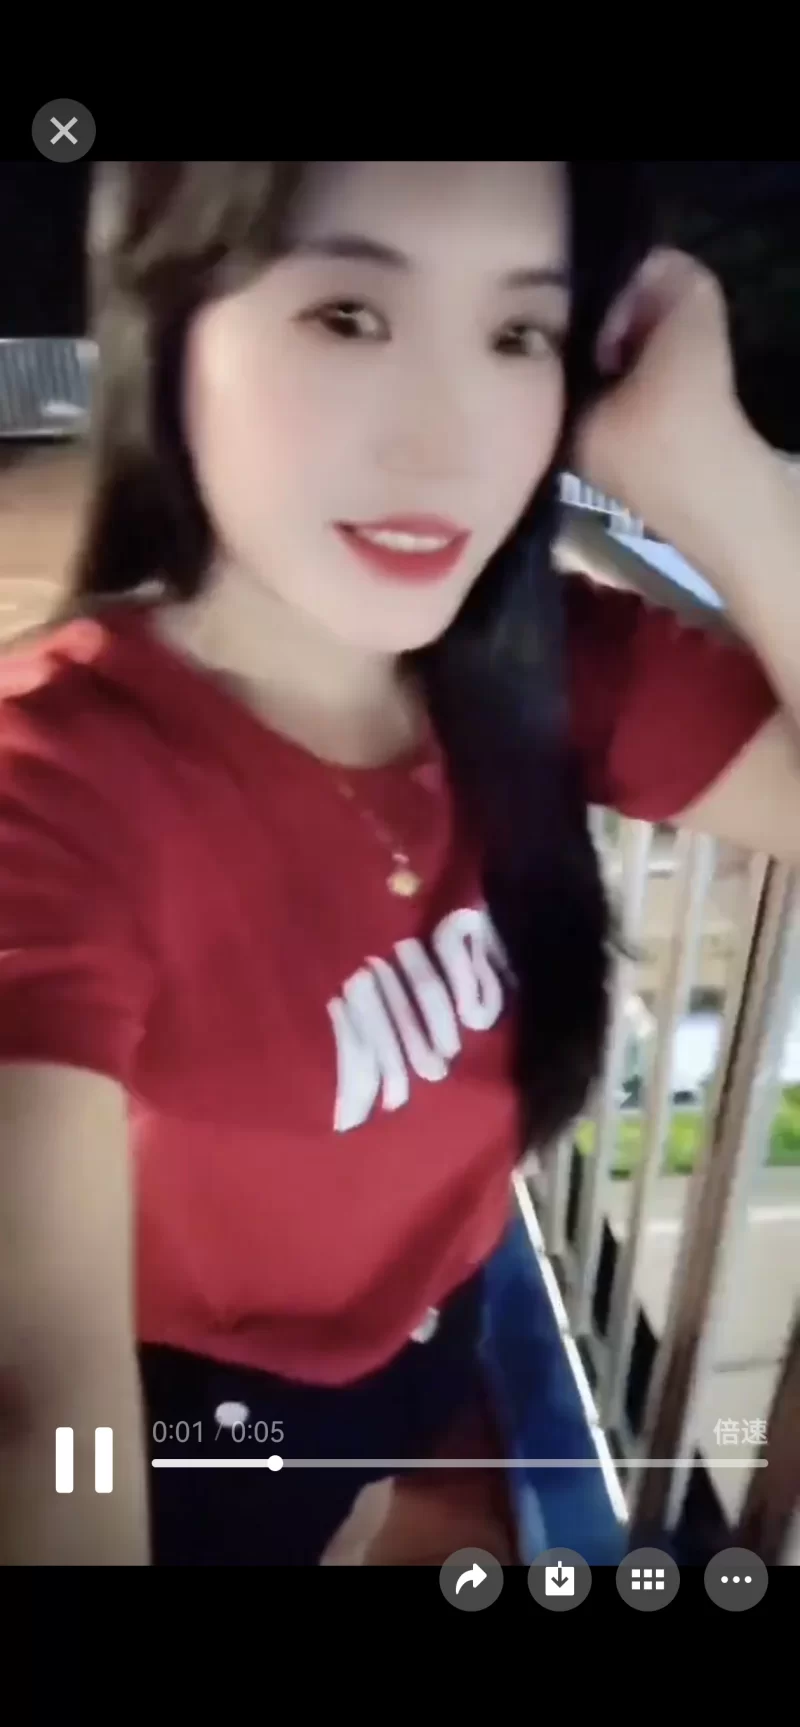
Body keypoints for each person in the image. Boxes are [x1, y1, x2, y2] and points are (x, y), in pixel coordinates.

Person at [1, 160, 798, 1567]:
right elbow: (41, 1406)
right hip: (199, 1417)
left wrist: (716, 470)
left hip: (428, 1339)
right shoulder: (56, 786)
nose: (448, 446)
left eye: (518, 335)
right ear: (169, 327)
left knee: (358, 1503)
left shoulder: (548, 668)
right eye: (349, 316)